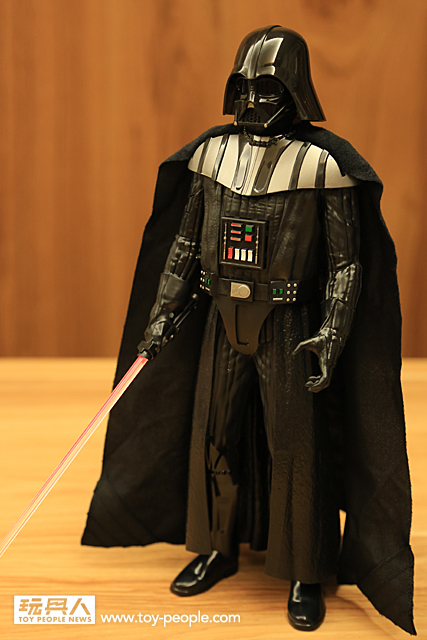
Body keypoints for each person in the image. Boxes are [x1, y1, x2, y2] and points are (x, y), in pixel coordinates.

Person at [82, 26, 415, 634]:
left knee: (295, 449)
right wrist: (163, 312)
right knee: (213, 435)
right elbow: (185, 246)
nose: (253, 101)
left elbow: (346, 265)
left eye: (268, 89)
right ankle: (216, 546)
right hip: (219, 316)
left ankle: (304, 571)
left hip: (288, 325)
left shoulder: (322, 166)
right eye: (244, 87)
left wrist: (333, 333)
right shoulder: (211, 156)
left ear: (295, 91)